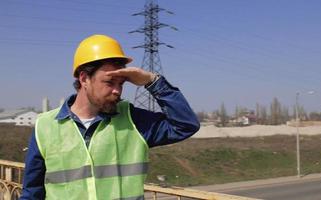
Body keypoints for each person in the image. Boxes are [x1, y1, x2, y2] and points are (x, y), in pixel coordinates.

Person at [20, 34, 200, 200]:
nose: (117, 90)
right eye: (109, 82)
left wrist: (152, 81)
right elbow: (32, 192)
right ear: (84, 78)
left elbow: (185, 124)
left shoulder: (133, 121)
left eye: (121, 83)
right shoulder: (45, 126)